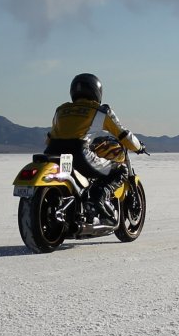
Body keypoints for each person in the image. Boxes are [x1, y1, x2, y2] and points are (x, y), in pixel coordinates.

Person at [45, 72, 143, 225]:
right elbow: (123, 134)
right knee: (119, 170)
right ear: (96, 91)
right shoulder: (100, 111)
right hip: (79, 154)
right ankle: (99, 198)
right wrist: (138, 146)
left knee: (73, 182)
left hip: (55, 154)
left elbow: (50, 137)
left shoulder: (61, 110)